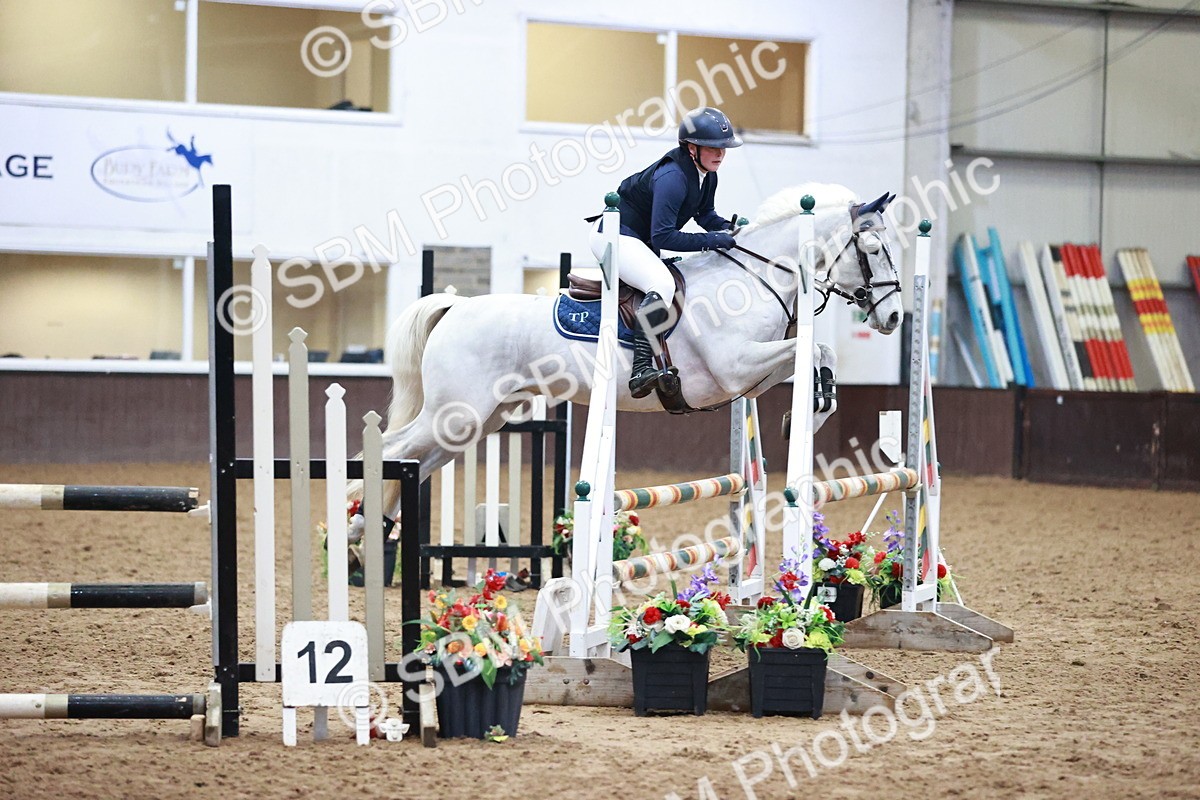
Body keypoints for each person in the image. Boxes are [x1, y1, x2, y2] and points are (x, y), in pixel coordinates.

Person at [589, 106, 742, 398]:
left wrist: (729, 229)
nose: (721, 154)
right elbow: (664, 235)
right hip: (614, 235)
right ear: (691, 148)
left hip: (640, 239)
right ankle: (640, 370)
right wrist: (713, 240)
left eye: (723, 147)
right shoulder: (672, 177)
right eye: (713, 147)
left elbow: (705, 215)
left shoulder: (707, 174)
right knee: (661, 283)